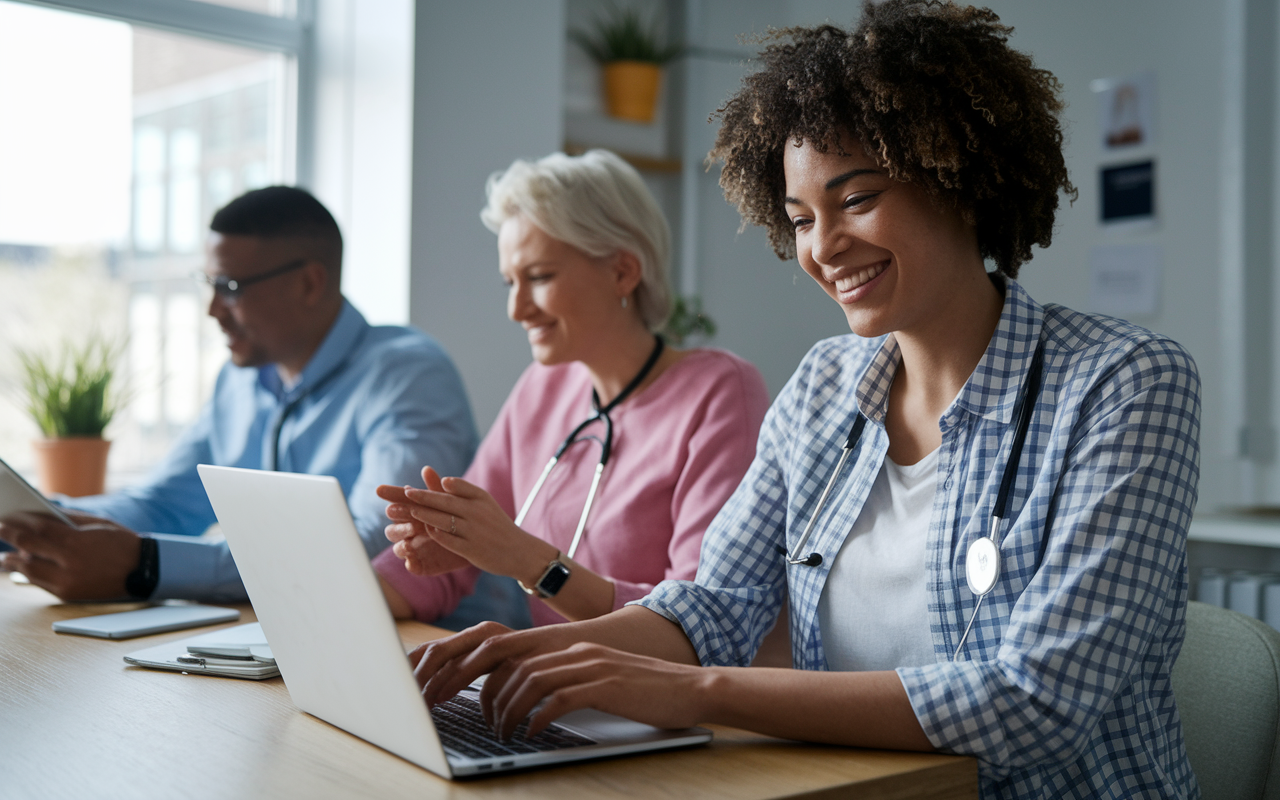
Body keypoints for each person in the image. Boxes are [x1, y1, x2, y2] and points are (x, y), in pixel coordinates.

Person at [403, 4, 1202, 799]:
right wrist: (530, 655)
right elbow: (715, 606)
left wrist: (690, 691)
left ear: (959, 175)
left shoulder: (1126, 383)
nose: (823, 248)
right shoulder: (824, 384)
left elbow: (1034, 701)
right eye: (799, 220)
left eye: (856, 200)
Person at [0, 186, 478, 603]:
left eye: (229, 288)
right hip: (297, 631)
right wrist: (33, 521)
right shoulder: (241, 381)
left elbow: (375, 543)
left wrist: (149, 563)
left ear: (310, 282)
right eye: (209, 285)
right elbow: (164, 503)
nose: (212, 310)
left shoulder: (409, 374)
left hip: (444, 659)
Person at [373, 149, 770, 631]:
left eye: (539, 277)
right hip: (552, 689)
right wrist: (330, 598)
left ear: (623, 271)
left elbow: (697, 620)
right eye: (509, 283)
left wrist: (530, 561)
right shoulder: (543, 387)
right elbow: (446, 568)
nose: (517, 309)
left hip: (654, 699)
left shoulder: (720, 392)